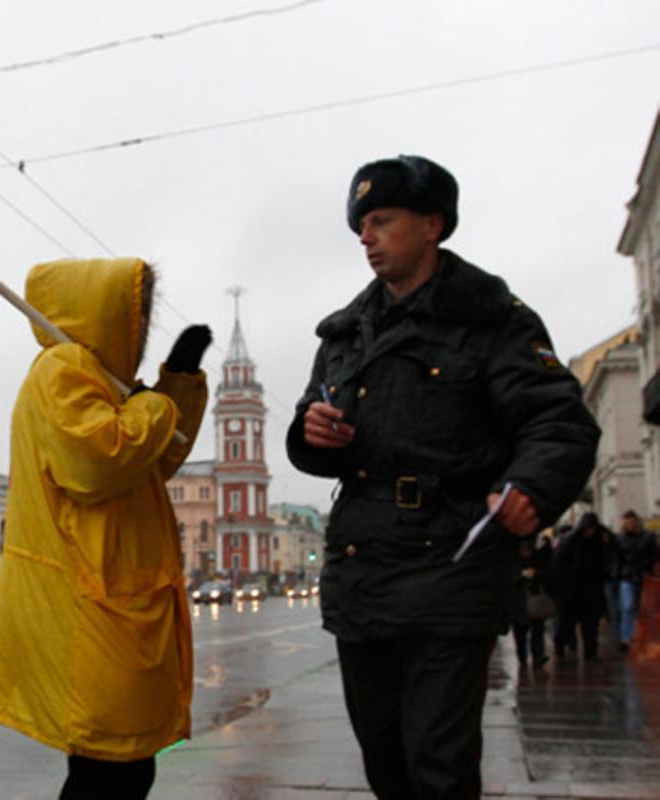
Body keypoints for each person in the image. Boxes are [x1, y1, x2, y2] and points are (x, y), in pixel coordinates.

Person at [286, 155, 599, 799]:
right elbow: (309, 429)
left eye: (381, 220)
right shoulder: (344, 333)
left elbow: (558, 422)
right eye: (360, 226)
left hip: (451, 562)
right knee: (385, 759)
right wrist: (312, 435)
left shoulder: (492, 319)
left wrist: (529, 488)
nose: (366, 237)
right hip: (362, 564)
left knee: (438, 760)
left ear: (432, 225)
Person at [0, 257, 210, 800]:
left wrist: (176, 385)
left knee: (124, 769)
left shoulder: (102, 380)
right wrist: (155, 404)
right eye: (138, 315)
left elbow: (155, 464)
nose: (142, 328)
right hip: (93, 607)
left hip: (118, 599)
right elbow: (99, 462)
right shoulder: (62, 368)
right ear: (107, 316)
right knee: (109, 773)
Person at [552, 513, 607, 662]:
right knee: (566, 622)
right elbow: (558, 564)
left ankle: (591, 652)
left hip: (591, 589)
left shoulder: (598, 543)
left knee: (590, 624)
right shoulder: (570, 541)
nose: (590, 532)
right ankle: (560, 645)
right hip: (571, 589)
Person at [616, 510, 658, 652]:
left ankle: (641, 637)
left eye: (632, 522)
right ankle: (626, 637)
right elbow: (616, 557)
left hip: (643, 576)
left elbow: (655, 554)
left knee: (644, 609)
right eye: (627, 523)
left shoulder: (648, 537)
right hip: (627, 576)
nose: (630, 525)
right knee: (627, 606)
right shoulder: (620, 539)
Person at [511, 537, 553, 669]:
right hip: (519, 602)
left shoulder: (538, 559)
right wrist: (521, 576)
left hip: (535, 600)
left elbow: (547, 574)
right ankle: (522, 657)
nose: (527, 553)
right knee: (520, 633)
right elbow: (508, 580)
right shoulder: (513, 561)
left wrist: (536, 575)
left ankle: (538, 656)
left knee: (538, 629)